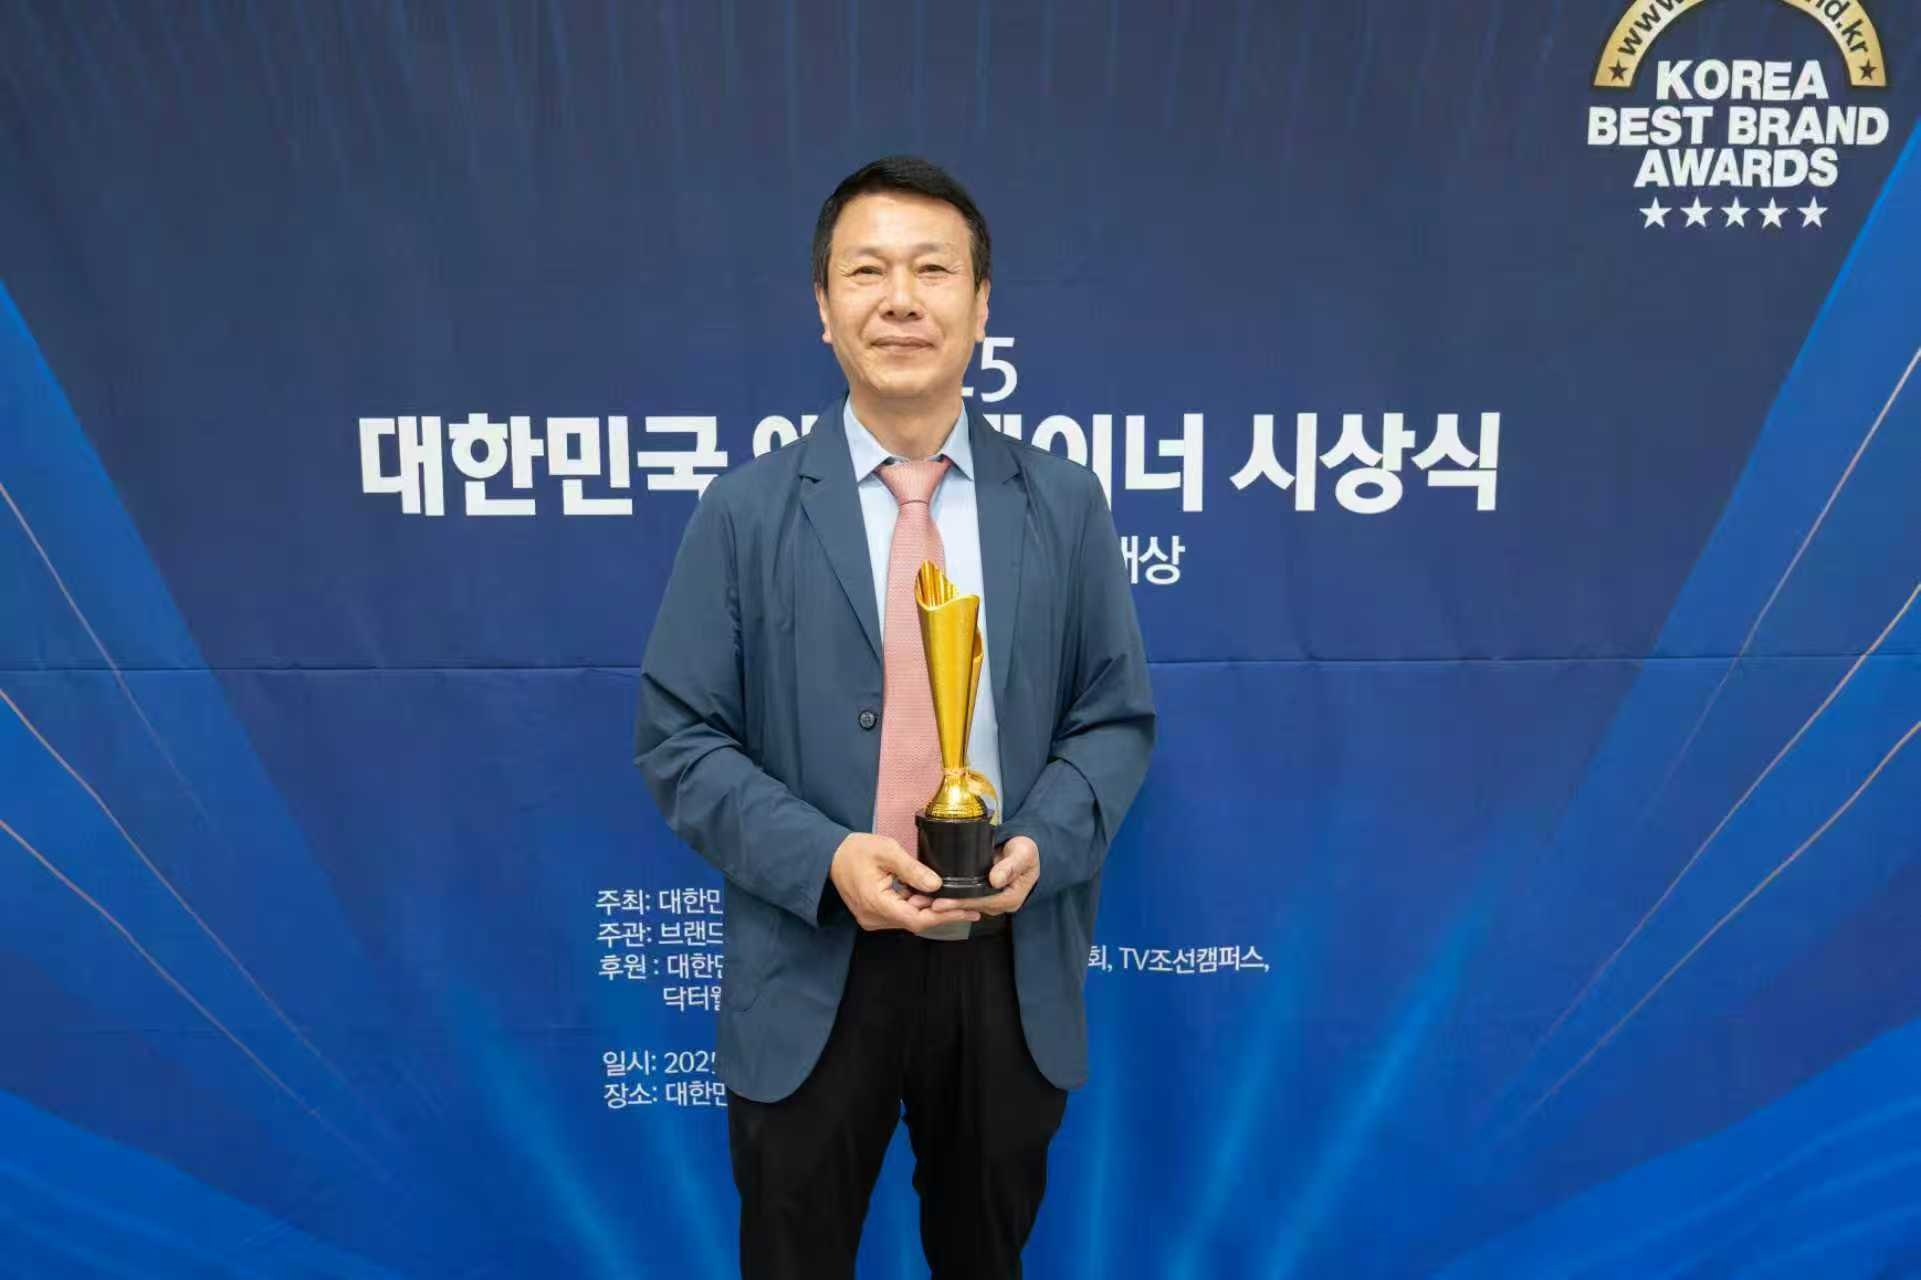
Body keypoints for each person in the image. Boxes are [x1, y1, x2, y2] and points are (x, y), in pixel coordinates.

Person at [634, 155, 1155, 1279]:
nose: (901, 299)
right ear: (823, 308)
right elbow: (679, 740)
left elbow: (1113, 719)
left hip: (1005, 956)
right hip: (811, 955)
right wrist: (826, 858)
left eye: (933, 269)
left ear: (981, 305)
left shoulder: (1063, 504)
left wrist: (1040, 844)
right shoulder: (744, 509)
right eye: (866, 271)